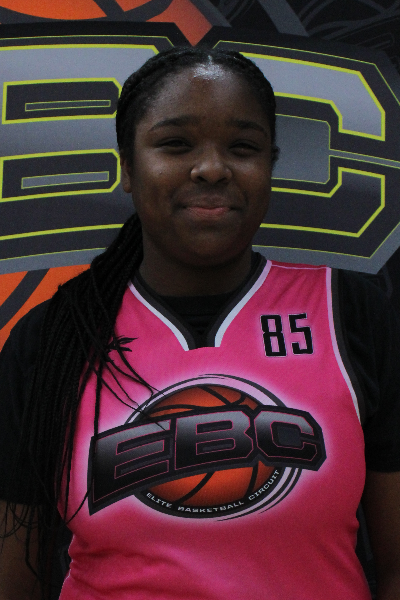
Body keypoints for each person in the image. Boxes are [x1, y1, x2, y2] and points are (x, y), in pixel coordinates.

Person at [0, 46, 399, 600]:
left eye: (242, 147)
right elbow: (13, 579)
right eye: (175, 144)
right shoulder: (56, 338)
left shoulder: (350, 313)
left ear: (270, 165)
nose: (212, 168)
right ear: (128, 167)